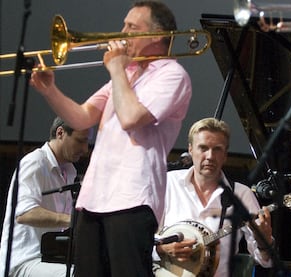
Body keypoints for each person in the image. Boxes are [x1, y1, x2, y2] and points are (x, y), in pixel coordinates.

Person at [30, 1, 192, 276]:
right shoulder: (127, 75)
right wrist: (50, 91)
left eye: (131, 27)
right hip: (93, 197)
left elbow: (131, 118)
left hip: (132, 197)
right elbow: (81, 118)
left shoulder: (173, 75)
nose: (121, 32)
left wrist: (117, 70)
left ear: (156, 35)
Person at [153, 118, 274, 277]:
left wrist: (264, 242)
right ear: (190, 150)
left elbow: (266, 261)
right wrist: (161, 250)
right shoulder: (168, 184)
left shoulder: (241, 194)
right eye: (203, 148)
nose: (210, 156)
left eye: (217, 149)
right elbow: (140, 240)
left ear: (225, 155)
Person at [0, 117, 90, 277]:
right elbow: (23, 214)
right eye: (80, 141)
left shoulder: (70, 171)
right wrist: (72, 220)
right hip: (24, 261)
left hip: (51, 257)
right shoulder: (35, 163)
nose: (85, 149)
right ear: (60, 133)